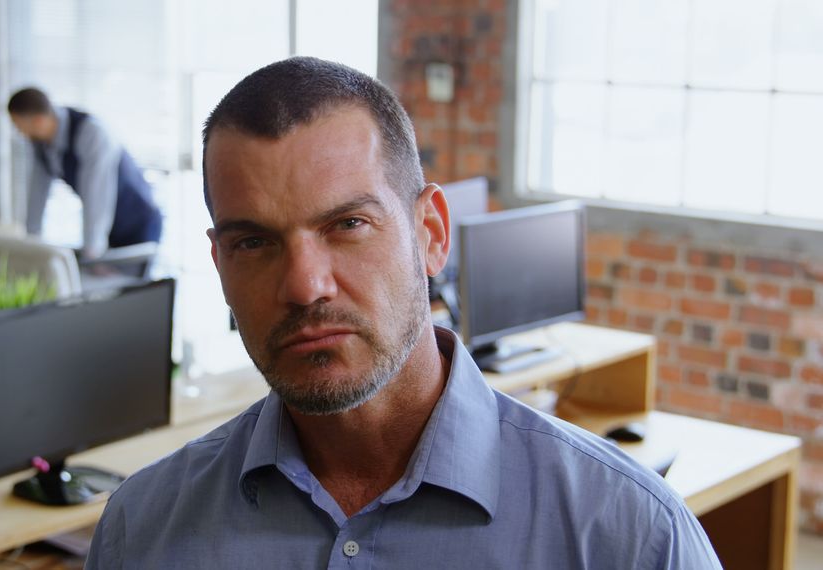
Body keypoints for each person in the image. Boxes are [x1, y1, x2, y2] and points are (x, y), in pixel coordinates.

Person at [86, 58, 720, 568]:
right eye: (254, 243)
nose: (306, 287)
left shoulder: (630, 536)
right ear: (220, 264)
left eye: (348, 225)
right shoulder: (142, 531)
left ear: (432, 234)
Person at [6, 88, 162, 261]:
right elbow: (37, 193)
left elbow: (96, 195)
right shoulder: (41, 145)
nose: (21, 134)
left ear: (38, 120)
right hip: (109, 228)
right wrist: (31, 245)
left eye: (20, 127)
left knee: (135, 287)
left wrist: (91, 252)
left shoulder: (91, 134)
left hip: (138, 223)